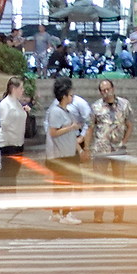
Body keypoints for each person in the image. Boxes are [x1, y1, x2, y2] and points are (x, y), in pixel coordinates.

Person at [88, 75, 135, 224]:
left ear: (113, 89)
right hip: (101, 149)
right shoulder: (95, 107)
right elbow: (90, 128)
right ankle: (98, 214)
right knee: (99, 183)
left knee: (118, 183)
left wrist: (124, 141)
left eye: (108, 89)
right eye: (103, 90)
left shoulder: (124, 104)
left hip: (118, 149)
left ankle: (118, 214)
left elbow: (130, 125)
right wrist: (87, 148)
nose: (106, 92)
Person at [46, 76, 91, 222]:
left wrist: (80, 149)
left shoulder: (67, 111)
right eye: (70, 94)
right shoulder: (56, 111)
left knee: (63, 184)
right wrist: (71, 127)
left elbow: (72, 136)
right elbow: (53, 132)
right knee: (64, 185)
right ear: (64, 96)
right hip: (61, 154)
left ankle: (58, 212)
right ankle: (64, 214)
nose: (72, 97)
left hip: (68, 152)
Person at [0, 77, 31, 191]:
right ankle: (3, 195)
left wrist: (25, 112)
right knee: (7, 172)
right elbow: (4, 123)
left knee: (13, 172)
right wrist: (14, 113)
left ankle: (10, 195)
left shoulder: (17, 103)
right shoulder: (5, 104)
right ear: (14, 89)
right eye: (21, 88)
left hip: (18, 142)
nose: (23, 90)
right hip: (8, 143)